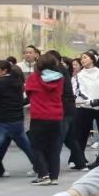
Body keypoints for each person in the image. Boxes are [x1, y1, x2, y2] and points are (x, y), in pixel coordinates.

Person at [25, 52, 65, 186]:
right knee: (53, 147)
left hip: (39, 116)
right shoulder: (60, 78)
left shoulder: (34, 77)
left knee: (36, 146)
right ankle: (54, 176)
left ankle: (43, 175)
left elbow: (28, 93)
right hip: (56, 116)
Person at [75, 52, 99, 156]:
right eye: (81, 58)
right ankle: (79, 159)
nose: (82, 60)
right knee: (82, 135)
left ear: (92, 59)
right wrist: (91, 101)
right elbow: (81, 91)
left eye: (85, 57)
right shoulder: (80, 75)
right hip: (86, 107)